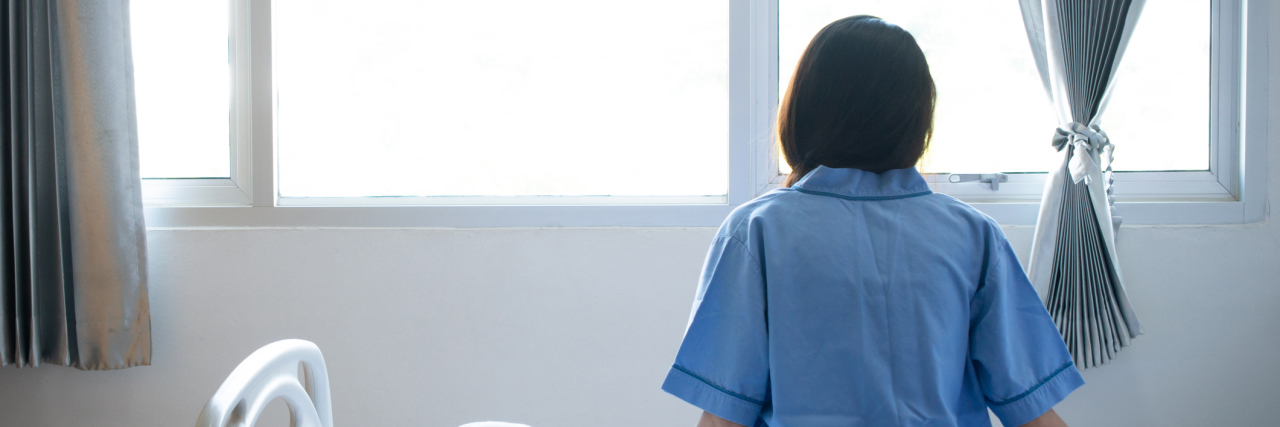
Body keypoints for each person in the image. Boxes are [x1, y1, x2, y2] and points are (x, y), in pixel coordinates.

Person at [661, 15, 1082, 427]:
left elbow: (722, 418)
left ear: (804, 109)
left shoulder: (756, 231)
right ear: (917, 118)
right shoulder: (974, 235)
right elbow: (1035, 415)